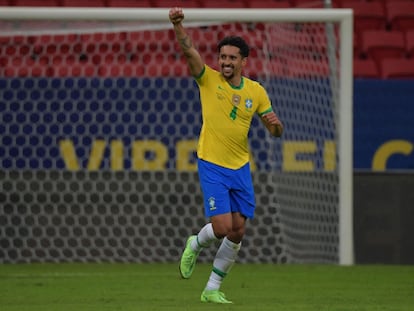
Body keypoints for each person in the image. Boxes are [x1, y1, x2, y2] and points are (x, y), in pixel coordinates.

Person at [169, 7, 284, 304]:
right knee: (222, 227)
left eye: (232, 57)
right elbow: (188, 49)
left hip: (240, 167)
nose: (226, 62)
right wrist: (178, 25)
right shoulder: (208, 79)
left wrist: (276, 128)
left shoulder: (256, 91)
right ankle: (194, 242)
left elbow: (273, 128)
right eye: (223, 57)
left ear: (244, 61)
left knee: (238, 231)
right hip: (212, 164)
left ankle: (211, 289)